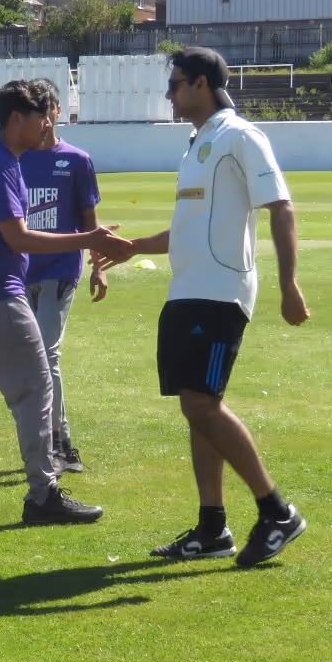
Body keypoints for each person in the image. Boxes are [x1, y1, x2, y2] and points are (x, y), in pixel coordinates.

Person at [110, 46, 310, 568]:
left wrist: (290, 284)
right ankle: (212, 526)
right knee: (194, 407)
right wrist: (130, 247)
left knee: (203, 404)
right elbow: (184, 230)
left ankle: (277, 511)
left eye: (175, 84)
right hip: (185, 291)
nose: (170, 94)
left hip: (222, 294)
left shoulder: (241, 136)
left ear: (200, 83)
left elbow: (281, 209)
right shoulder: (196, 144)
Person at [0, 80, 130, 524]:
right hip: (0, 292)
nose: (48, 122)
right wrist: (90, 239)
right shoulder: (4, 164)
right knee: (36, 385)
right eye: (40, 115)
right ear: (17, 120)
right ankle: (42, 494)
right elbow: (18, 236)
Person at [16, 83, 105, 472]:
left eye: (45, 109)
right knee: (27, 359)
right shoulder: (12, 160)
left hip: (60, 269)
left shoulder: (76, 161)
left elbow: (90, 223)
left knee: (46, 355)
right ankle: (46, 441)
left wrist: (98, 267)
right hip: (18, 272)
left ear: (55, 110)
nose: (42, 118)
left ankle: (61, 442)